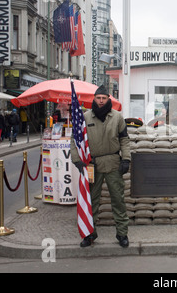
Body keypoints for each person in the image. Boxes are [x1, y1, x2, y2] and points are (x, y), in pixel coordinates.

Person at [71, 85, 131, 248]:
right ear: (94, 99)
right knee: (92, 200)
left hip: (113, 163)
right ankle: (89, 234)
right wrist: (77, 160)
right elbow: (75, 140)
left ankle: (122, 233)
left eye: (104, 98)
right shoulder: (85, 117)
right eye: (98, 98)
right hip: (92, 165)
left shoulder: (117, 117)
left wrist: (126, 159)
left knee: (118, 199)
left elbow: (124, 139)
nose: (101, 101)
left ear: (108, 99)